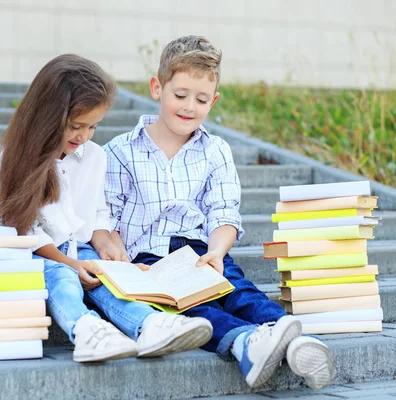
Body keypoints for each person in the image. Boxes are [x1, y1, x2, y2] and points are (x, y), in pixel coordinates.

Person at [104, 36, 336, 389]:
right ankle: (246, 342)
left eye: (200, 99)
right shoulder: (121, 151)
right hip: (148, 259)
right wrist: (116, 250)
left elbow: (223, 212)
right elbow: (107, 215)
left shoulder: (215, 151)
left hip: (201, 250)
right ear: (157, 88)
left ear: (213, 101)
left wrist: (217, 252)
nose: (188, 107)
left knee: (238, 291)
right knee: (191, 310)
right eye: (180, 95)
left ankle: (295, 340)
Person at [0, 54, 212, 363]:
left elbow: (97, 216)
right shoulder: (15, 161)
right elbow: (22, 232)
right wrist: (69, 261)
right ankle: (86, 330)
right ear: (47, 117)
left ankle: (150, 324)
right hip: (39, 255)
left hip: (82, 249)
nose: (84, 136)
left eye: (93, 127)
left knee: (113, 281)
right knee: (63, 279)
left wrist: (110, 249)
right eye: (76, 126)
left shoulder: (94, 156)